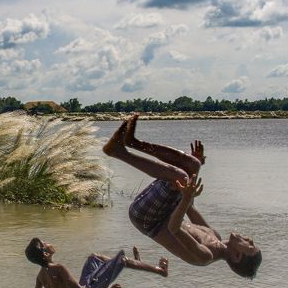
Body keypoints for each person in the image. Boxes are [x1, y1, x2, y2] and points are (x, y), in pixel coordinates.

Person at [102, 114, 262, 278]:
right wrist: (194, 173)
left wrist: (185, 196)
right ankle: (133, 142)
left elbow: (174, 228)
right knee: (193, 164)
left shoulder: (205, 256)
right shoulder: (216, 236)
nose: (249, 239)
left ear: (237, 256)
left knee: (181, 177)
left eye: (250, 246)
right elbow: (190, 208)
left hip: (148, 219)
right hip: (164, 211)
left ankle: (118, 152)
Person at [21, 238, 167, 288]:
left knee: (93, 257)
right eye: (45, 243)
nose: (48, 242)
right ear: (46, 254)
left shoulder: (41, 276)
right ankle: (160, 270)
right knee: (122, 260)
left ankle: (130, 263)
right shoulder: (58, 268)